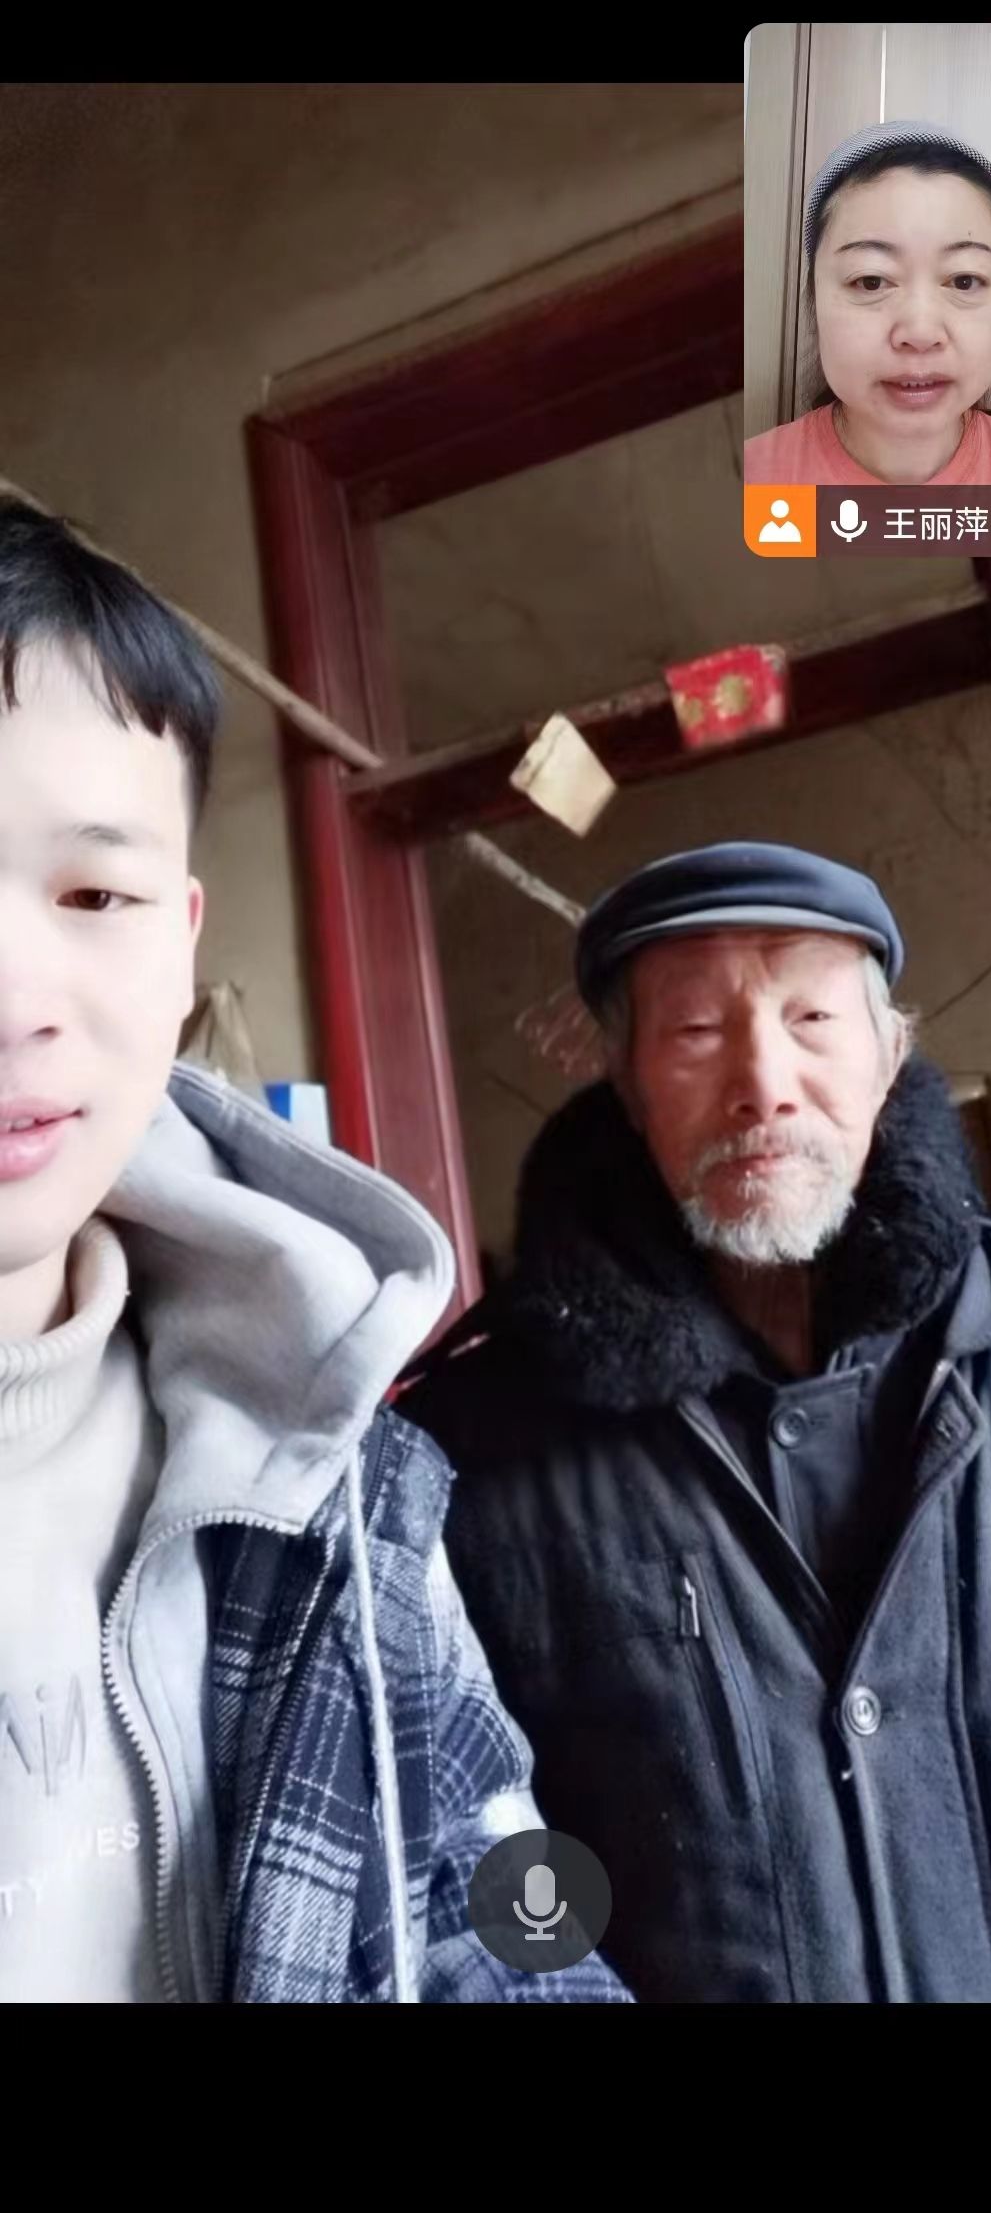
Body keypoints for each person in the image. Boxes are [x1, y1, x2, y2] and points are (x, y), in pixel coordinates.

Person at [0, 494, 629, 2006]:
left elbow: (505, 1922)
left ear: (182, 943)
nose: (17, 1001)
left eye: (94, 895)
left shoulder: (334, 1481)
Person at [403, 841, 991, 2002]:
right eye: (696, 1031)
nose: (763, 1082)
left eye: (812, 1018)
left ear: (890, 1056)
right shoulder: (471, 1455)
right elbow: (474, 1878)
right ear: (626, 1088)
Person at [744, 121, 991, 557]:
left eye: (964, 280)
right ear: (814, 300)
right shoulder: (751, 487)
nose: (920, 333)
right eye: (870, 281)